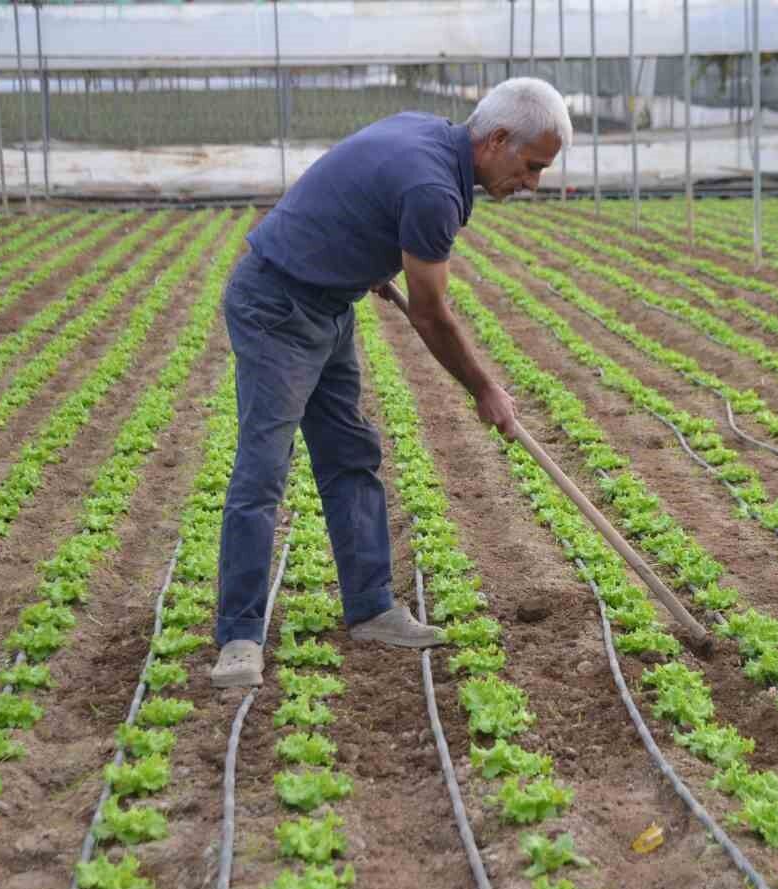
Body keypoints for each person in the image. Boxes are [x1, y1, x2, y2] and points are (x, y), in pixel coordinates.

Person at [210, 78, 570, 688]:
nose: (532, 184)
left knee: (351, 453)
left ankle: (371, 608)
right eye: (532, 166)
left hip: (329, 302)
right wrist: (484, 388)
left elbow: (361, 187)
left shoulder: (427, 133)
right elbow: (430, 313)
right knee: (263, 467)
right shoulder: (434, 190)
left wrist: (369, 253)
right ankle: (240, 634)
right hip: (276, 305)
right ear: (498, 140)